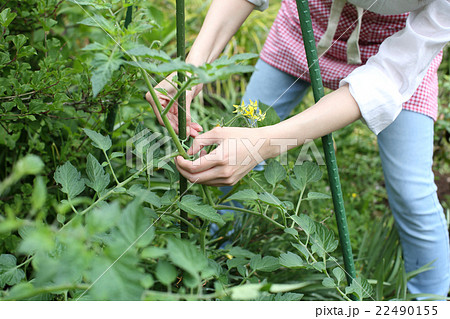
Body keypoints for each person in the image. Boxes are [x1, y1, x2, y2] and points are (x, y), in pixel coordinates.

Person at [146, 0, 450, 297]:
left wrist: (265, 144)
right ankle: (218, 259)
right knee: (228, 151)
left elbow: (383, 82)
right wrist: (190, 70)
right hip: (306, 27)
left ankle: (432, 300)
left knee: (411, 192)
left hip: (400, 51)